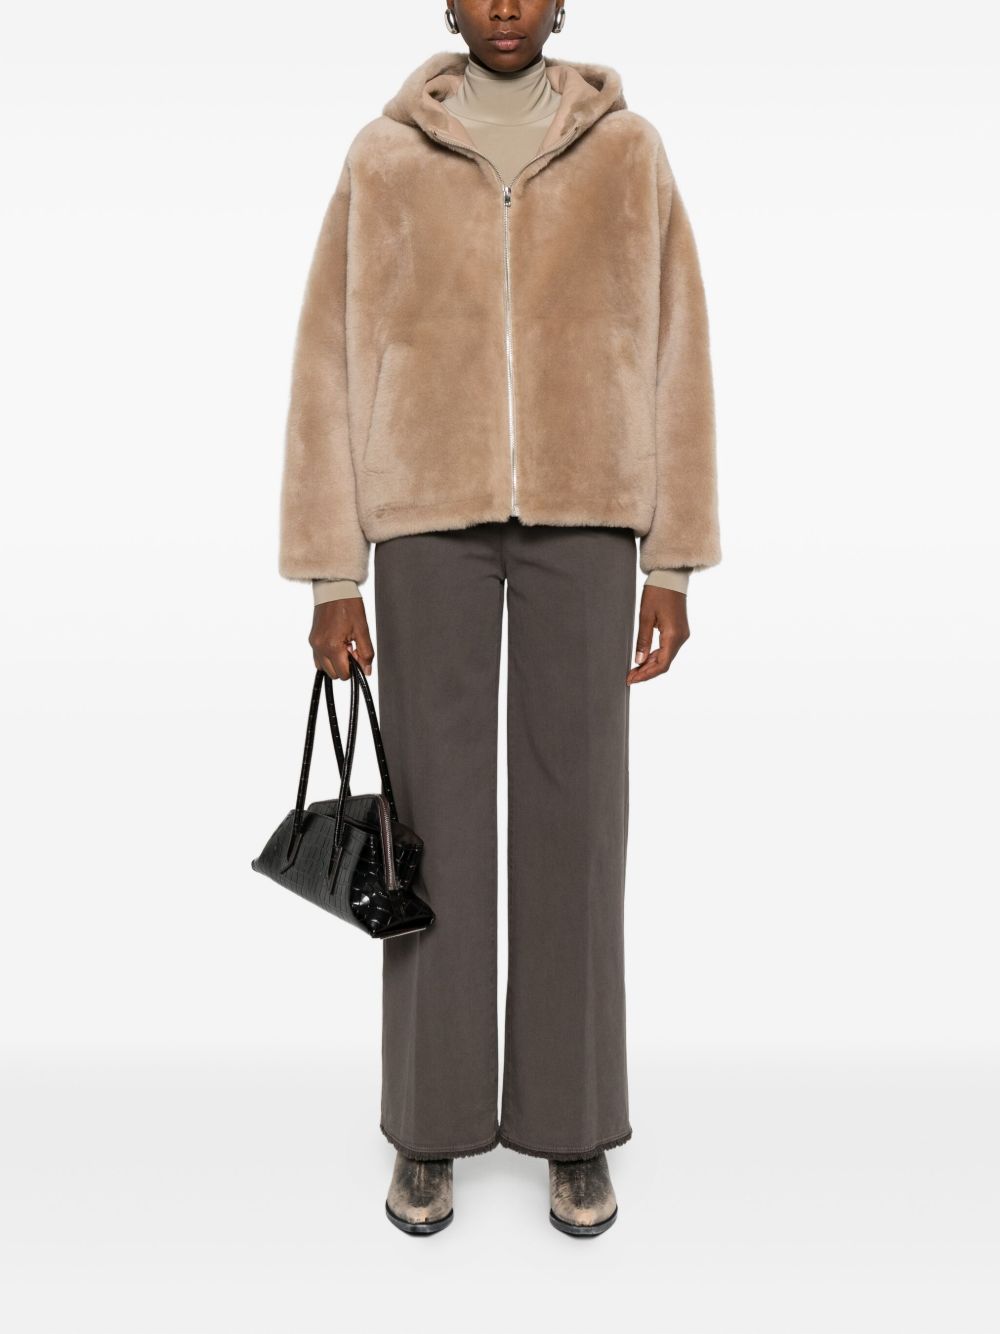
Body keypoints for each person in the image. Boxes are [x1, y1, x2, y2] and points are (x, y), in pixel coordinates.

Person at [277, 0, 720, 1237]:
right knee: (429, 828)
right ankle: (430, 1125)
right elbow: (325, 358)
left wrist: (675, 561)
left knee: (578, 822)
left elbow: (679, 348)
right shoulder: (382, 156)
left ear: (561, 1)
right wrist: (330, 574)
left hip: (588, 519)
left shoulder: (628, 152)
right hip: (427, 522)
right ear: (451, 3)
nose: (506, 6)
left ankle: (571, 1124)